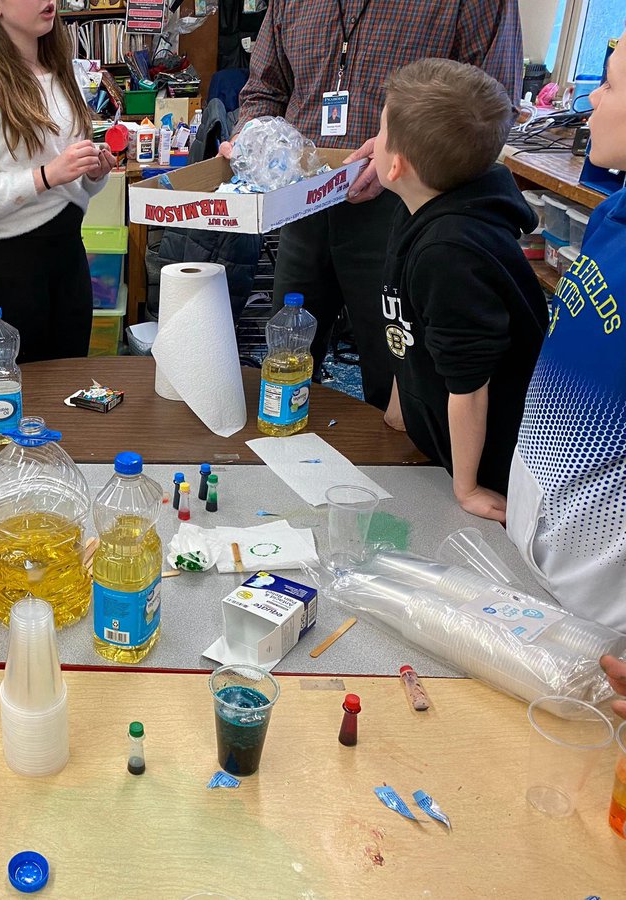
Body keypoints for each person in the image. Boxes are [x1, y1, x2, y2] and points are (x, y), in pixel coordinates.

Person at [219, 0, 523, 412]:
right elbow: (264, 89)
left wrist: (399, 149)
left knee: (397, 376)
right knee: (287, 363)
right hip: (302, 199)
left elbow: (492, 107)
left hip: (403, 204)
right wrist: (250, 137)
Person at [372, 58, 546, 523]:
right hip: (434, 429)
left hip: (486, 454)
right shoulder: (417, 203)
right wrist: (399, 411)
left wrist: (467, 487)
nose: (374, 138)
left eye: (381, 130)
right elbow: (404, 323)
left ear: (397, 165)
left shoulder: (450, 253)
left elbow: (470, 385)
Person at [507, 32, 626, 633]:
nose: (592, 100)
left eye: (610, 85)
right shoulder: (612, 212)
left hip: (602, 591)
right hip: (539, 525)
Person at [0, 0, 114, 363]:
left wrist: (93, 174)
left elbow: (73, 185)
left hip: (69, 254)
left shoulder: (62, 76)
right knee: (28, 388)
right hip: (15, 266)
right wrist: (45, 176)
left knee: (71, 380)